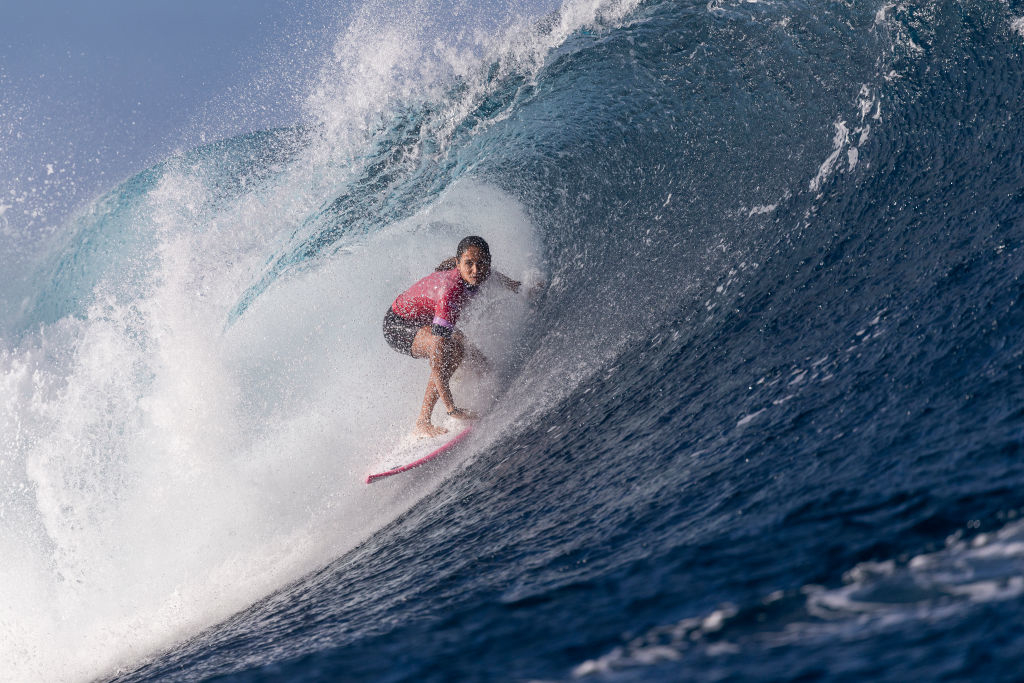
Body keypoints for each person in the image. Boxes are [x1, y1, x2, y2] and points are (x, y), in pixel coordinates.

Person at [383, 236, 523, 437]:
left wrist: (518, 286)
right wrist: (452, 409)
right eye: (469, 264)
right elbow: (437, 358)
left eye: (481, 263)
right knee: (449, 351)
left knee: (472, 354)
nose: (476, 270)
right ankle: (422, 423)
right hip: (399, 324)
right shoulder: (450, 293)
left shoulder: (477, 271)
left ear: (488, 261)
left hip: (425, 319)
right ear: (458, 264)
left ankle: (491, 391)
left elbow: (492, 275)